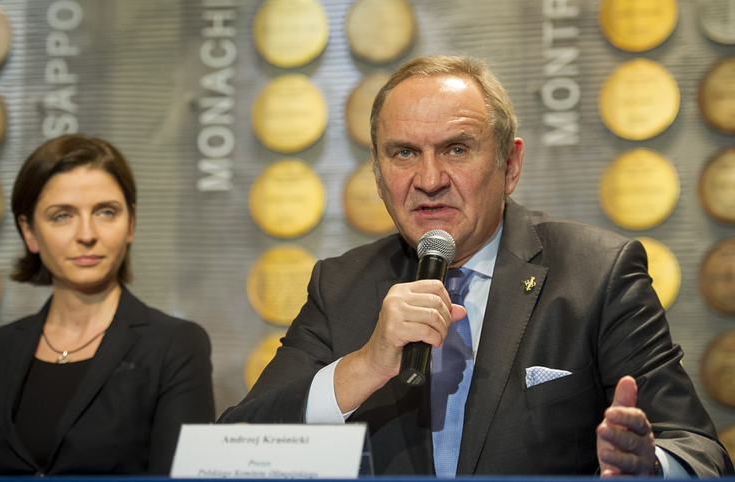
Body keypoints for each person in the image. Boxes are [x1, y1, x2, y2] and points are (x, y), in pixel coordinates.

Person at [219, 56, 734, 477]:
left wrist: (650, 467)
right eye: (404, 153)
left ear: (510, 165)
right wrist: (366, 366)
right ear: (377, 176)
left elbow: (700, 452)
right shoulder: (340, 285)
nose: (429, 179)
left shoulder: (597, 272)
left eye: (456, 149)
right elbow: (234, 449)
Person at [0, 134, 215, 475]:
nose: (86, 234)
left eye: (106, 212)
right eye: (62, 216)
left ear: (130, 223)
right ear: (29, 232)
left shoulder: (175, 345)